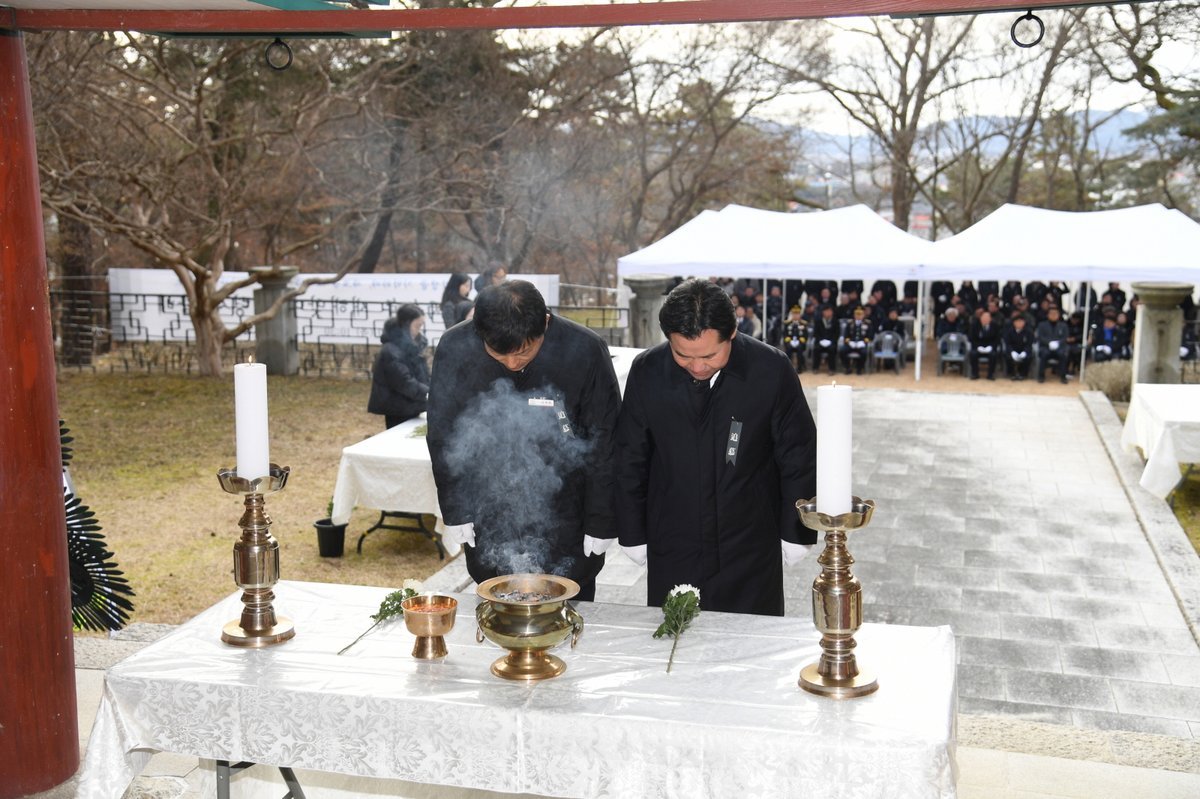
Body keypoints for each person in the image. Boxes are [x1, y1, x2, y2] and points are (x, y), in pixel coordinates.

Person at [614, 279, 817, 616]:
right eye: (683, 355)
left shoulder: (770, 370)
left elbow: (798, 453)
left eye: (710, 355)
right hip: (673, 536)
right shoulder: (648, 371)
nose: (697, 366)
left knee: (751, 636)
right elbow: (630, 456)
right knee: (678, 634)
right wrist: (632, 530)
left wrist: (797, 529)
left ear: (732, 333)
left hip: (749, 538)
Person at [426, 281, 620, 602]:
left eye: (524, 352)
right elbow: (443, 433)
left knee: (569, 597)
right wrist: (456, 509)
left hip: (566, 503)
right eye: (499, 354)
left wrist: (602, 520)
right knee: (496, 597)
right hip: (489, 503)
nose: (513, 364)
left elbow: (606, 438)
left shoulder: (585, 349)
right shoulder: (455, 347)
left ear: (544, 323)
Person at [367, 305, 431, 428]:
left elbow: (422, 374)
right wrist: (430, 394)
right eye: (417, 326)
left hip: (412, 406)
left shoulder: (413, 346)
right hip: (398, 409)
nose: (419, 331)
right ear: (406, 325)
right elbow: (405, 382)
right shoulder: (390, 351)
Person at [1036, 306, 1070, 384]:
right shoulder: (1042, 325)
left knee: (1063, 354)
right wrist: (1048, 343)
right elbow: (1040, 337)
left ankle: (1063, 376)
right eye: (1051, 314)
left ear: (1058, 315)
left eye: (1055, 314)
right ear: (1048, 315)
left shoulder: (1063, 325)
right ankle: (1041, 376)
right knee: (1044, 354)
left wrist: (1058, 343)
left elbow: (1065, 337)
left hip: (1059, 347)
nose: (1053, 315)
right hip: (1045, 347)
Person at [968, 310, 1001, 380]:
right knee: (973, 354)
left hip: (990, 347)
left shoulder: (995, 326)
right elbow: (971, 338)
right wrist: (978, 347)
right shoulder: (975, 325)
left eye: (987, 318)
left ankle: (990, 374)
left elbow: (997, 339)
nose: (985, 319)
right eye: (984, 318)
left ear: (990, 319)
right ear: (980, 318)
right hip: (978, 347)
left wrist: (991, 347)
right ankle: (975, 373)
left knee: (993, 355)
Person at [839, 306, 872, 375]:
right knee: (842, 351)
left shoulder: (868, 323)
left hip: (861, 344)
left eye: (860, 314)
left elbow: (870, 335)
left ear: (863, 315)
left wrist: (863, 342)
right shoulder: (850, 323)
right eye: (857, 314)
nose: (858, 316)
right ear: (854, 315)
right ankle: (847, 367)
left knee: (864, 353)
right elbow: (846, 335)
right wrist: (849, 342)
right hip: (851, 343)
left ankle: (859, 368)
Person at [1002, 313, 1034, 380]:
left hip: (1024, 350)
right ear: (1014, 323)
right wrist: (1012, 352)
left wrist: (1025, 352)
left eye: (1021, 321)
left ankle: (1022, 374)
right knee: (1008, 356)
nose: (1019, 323)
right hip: (1013, 350)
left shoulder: (1029, 331)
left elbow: (1029, 344)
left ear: (1024, 322)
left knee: (1028, 356)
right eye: (1017, 322)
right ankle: (1012, 373)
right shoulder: (1009, 331)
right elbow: (1007, 344)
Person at [812, 304, 839, 375]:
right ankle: (815, 368)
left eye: (829, 311)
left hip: (831, 341)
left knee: (832, 349)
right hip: (820, 341)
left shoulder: (835, 321)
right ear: (823, 312)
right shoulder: (818, 321)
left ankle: (832, 369)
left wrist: (830, 341)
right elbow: (815, 333)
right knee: (816, 349)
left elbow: (836, 334)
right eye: (826, 311)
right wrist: (821, 340)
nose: (828, 313)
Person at [780, 305, 808, 374]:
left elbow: (805, 335)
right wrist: (789, 340)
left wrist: (800, 340)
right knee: (788, 349)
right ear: (792, 314)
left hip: (800, 342)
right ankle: (788, 368)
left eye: (797, 314)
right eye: (794, 314)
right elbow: (785, 334)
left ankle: (799, 368)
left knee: (800, 349)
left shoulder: (803, 323)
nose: (796, 316)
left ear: (800, 315)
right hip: (790, 341)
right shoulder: (787, 323)